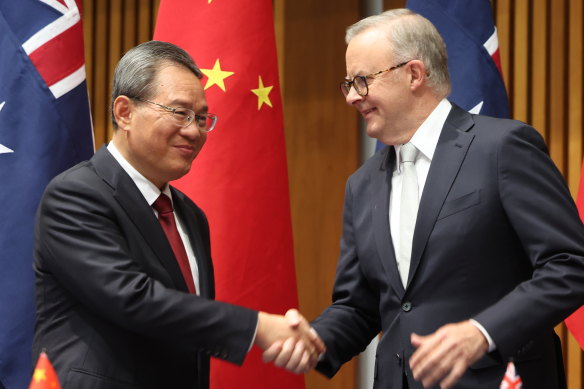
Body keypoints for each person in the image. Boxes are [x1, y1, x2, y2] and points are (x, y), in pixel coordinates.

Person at [264, 8, 584, 389]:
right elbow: (359, 306)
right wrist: (313, 342)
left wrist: (483, 332)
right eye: (348, 84)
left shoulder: (502, 148)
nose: (351, 97)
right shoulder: (361, 184)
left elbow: (570, 265)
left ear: (414, 74)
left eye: (362, 80)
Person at [32, 40, 323, 389]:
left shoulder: (189, 214)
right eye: (180, 113)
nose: (193, 131)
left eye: (201, 118)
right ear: (124, 112)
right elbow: (133, 298)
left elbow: (187, 328)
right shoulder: (76, 195)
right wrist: (257, 328)